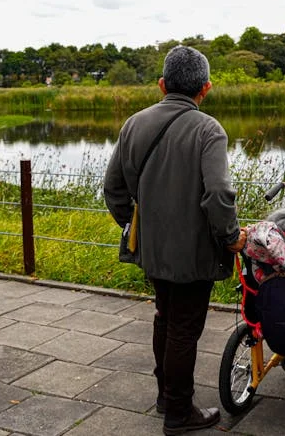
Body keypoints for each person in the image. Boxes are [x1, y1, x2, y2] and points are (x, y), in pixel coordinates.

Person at [104, 45, 246, 435]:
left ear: (163, 84)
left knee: (165, 319)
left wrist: (136, 226)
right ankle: (179, 414)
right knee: (183, 327)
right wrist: (231, 237)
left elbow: (113, 188)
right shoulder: (207, 129)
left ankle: (167, 396)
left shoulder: (134, 123)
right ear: (206, 87)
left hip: (152, 250)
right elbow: (218, 194)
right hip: (194, 253)